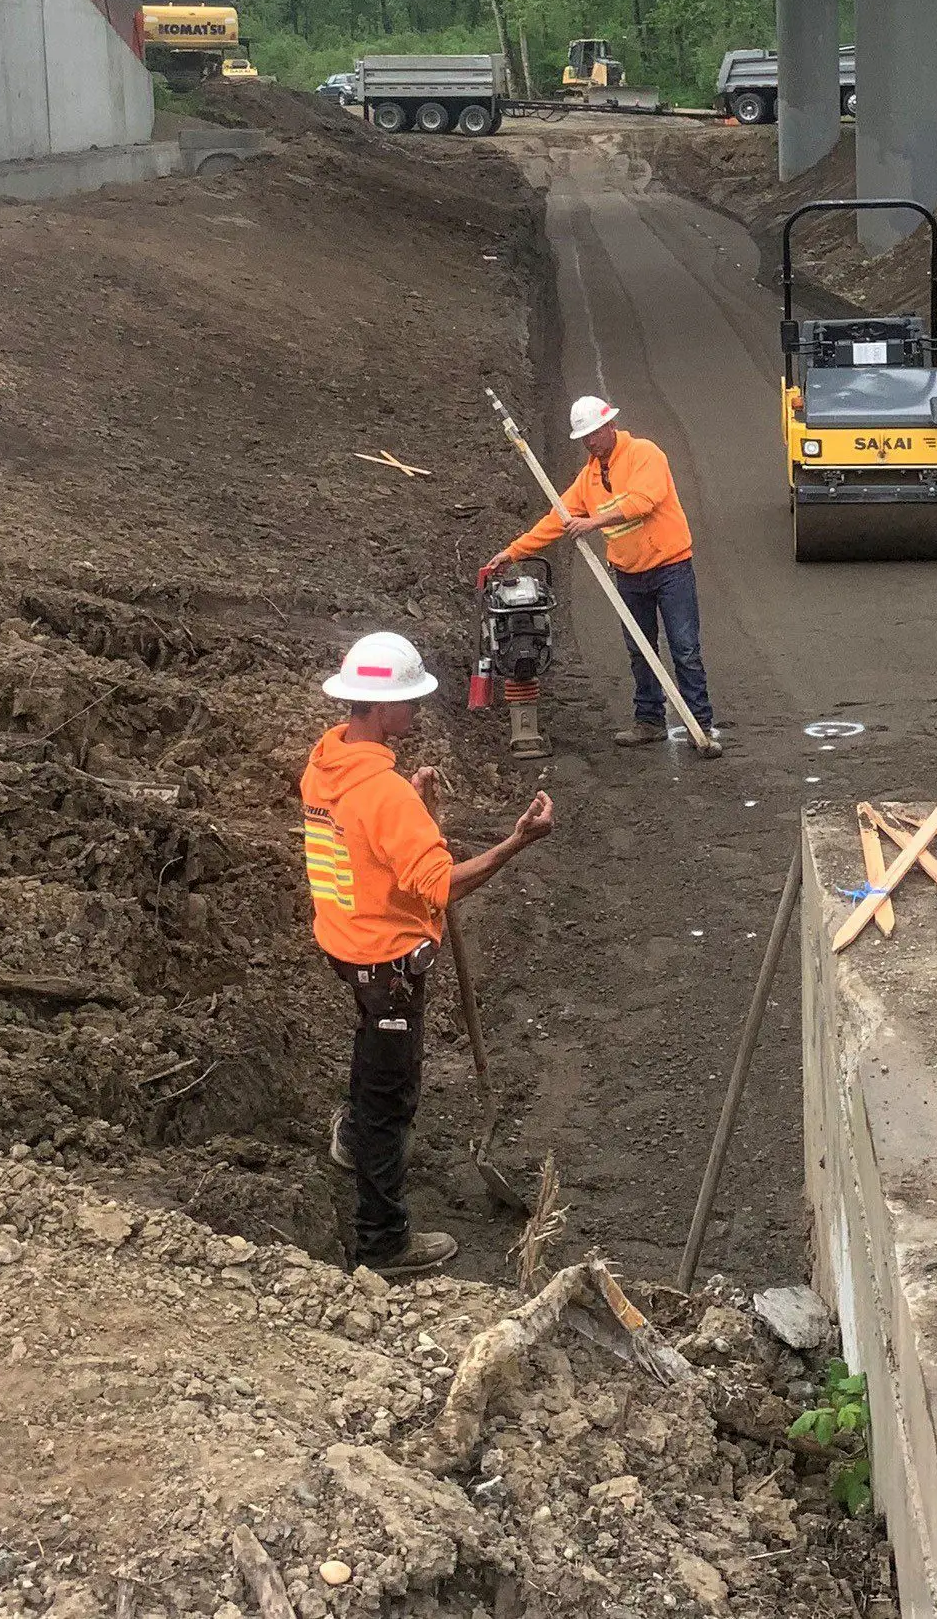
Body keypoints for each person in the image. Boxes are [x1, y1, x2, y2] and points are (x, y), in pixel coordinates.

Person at [300, 630, 552, 1276]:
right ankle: (383, 1243)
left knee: (370, 1049)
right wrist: (516, 842)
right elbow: (442, 886)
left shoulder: (329, 760)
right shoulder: (382, 795)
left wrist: (409, 804)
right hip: (387, 964)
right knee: (392, 1095)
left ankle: (352, 1140)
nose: (415, 711)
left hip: (343, 940)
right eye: (408, 701)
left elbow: (363, 838)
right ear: (380, 709)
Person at [481, 393, 720, 754]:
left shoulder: (645, 454)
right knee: (639, 650)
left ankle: (700, 722)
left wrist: (593, 522)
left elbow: (643, 501)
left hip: (671, 567)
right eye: (585, 437)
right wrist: (513, 551)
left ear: (611, 426)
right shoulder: (589, 477)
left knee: (684, 648)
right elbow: (556, 520)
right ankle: (649, 720)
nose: (590, 442)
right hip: (629, 574)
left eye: (594, 433)